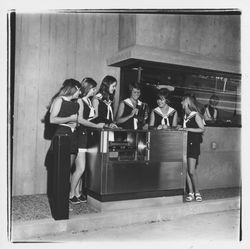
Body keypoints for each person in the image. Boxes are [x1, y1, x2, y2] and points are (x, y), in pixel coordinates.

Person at [69, 78, 105, 204]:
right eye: (93, 88)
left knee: (81, 168)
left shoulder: (88, 101)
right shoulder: (80, 100)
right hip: (80, 136)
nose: (95, 91)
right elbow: (80, 119)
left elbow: (90, 118)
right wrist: (95, 125)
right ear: (88, 88)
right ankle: (71, 193)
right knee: (80, 168)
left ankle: (77, 193)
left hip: (86, 135)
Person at [49, 79, 81, 199]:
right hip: (62, 136)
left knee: (67, 169)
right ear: (73, 88)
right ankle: (59, 198)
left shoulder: (75, 104)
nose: (80, 93)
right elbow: (52, 120)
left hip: (73, 136)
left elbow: (74, 121)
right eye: (79, 90)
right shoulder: (59, 100)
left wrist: (75, 124)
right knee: (62, 170)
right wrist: (70, 118)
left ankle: (64, 198)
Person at [181, 94, 205, 202]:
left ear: (187, 103)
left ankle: (197, 192)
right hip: (185, 144)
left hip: (193, 145)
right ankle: (190, 192)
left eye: (183, 101)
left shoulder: (195, 115)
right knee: (186, 170)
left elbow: (202, 129)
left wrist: (188, 129)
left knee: (191, 171)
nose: (181, 103)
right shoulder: (185, 115)